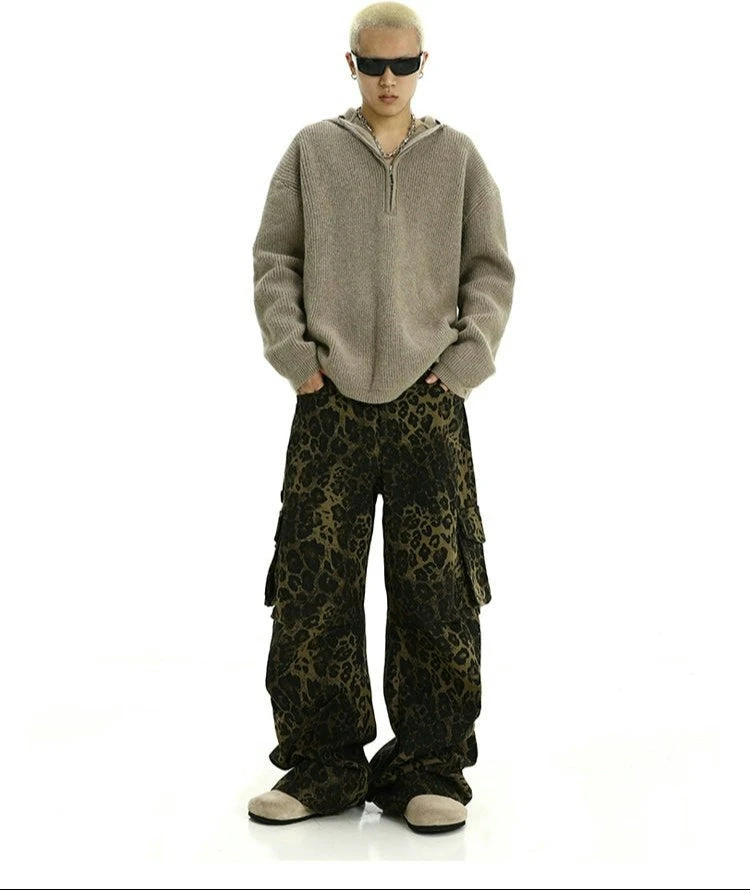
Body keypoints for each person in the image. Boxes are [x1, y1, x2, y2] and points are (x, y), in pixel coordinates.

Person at [248, 1, 515, 834]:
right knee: (312, 587)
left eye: (403, 66)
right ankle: (322, 765)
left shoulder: (457, 157)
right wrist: (297, 359)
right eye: (374, 65)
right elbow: (275, 258)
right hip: (328, 403)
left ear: (423, 65)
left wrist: (462, 367)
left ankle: (428, 768)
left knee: (438, 591)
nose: (388, 80)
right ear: (352, 65)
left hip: (428, 407)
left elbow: (490, 271)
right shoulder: (313, 151)